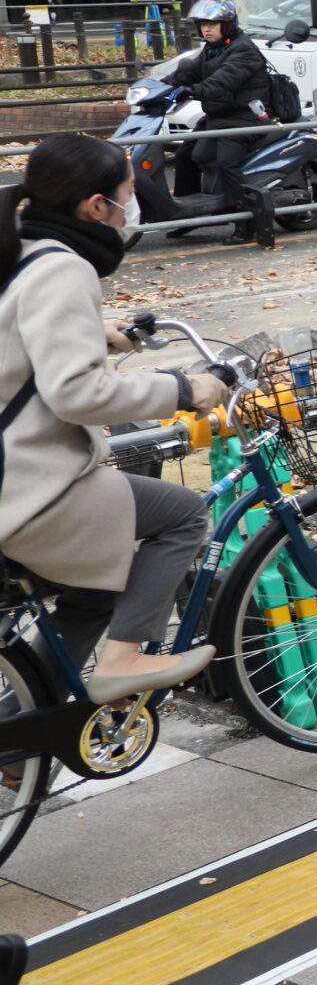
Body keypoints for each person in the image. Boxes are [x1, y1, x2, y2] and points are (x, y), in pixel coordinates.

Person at [0, 133, 225, 700]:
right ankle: (123, 660)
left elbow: (17, 336)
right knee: (184, 515)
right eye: (129, 193)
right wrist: (183, 388)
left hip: (9, 474)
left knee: (98, 588)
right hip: (26, 485)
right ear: (96, 206)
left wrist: (98, 334)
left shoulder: (17, 248)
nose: (134, 206)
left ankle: (28, 721)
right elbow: (75, 393)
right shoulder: (63, 269)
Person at [161, 0, 272, 237]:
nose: (207, 29)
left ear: (227, 25)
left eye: (212, 24)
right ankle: (189, 216)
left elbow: (222, 82)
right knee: (184, 155)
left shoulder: (244, 50)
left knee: (226, 163)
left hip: (243, 117)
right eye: (203, 24)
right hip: (218, 115)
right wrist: (161, 86)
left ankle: (246, 221)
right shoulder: (213, 49)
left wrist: (192, 91)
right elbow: (190, 70)